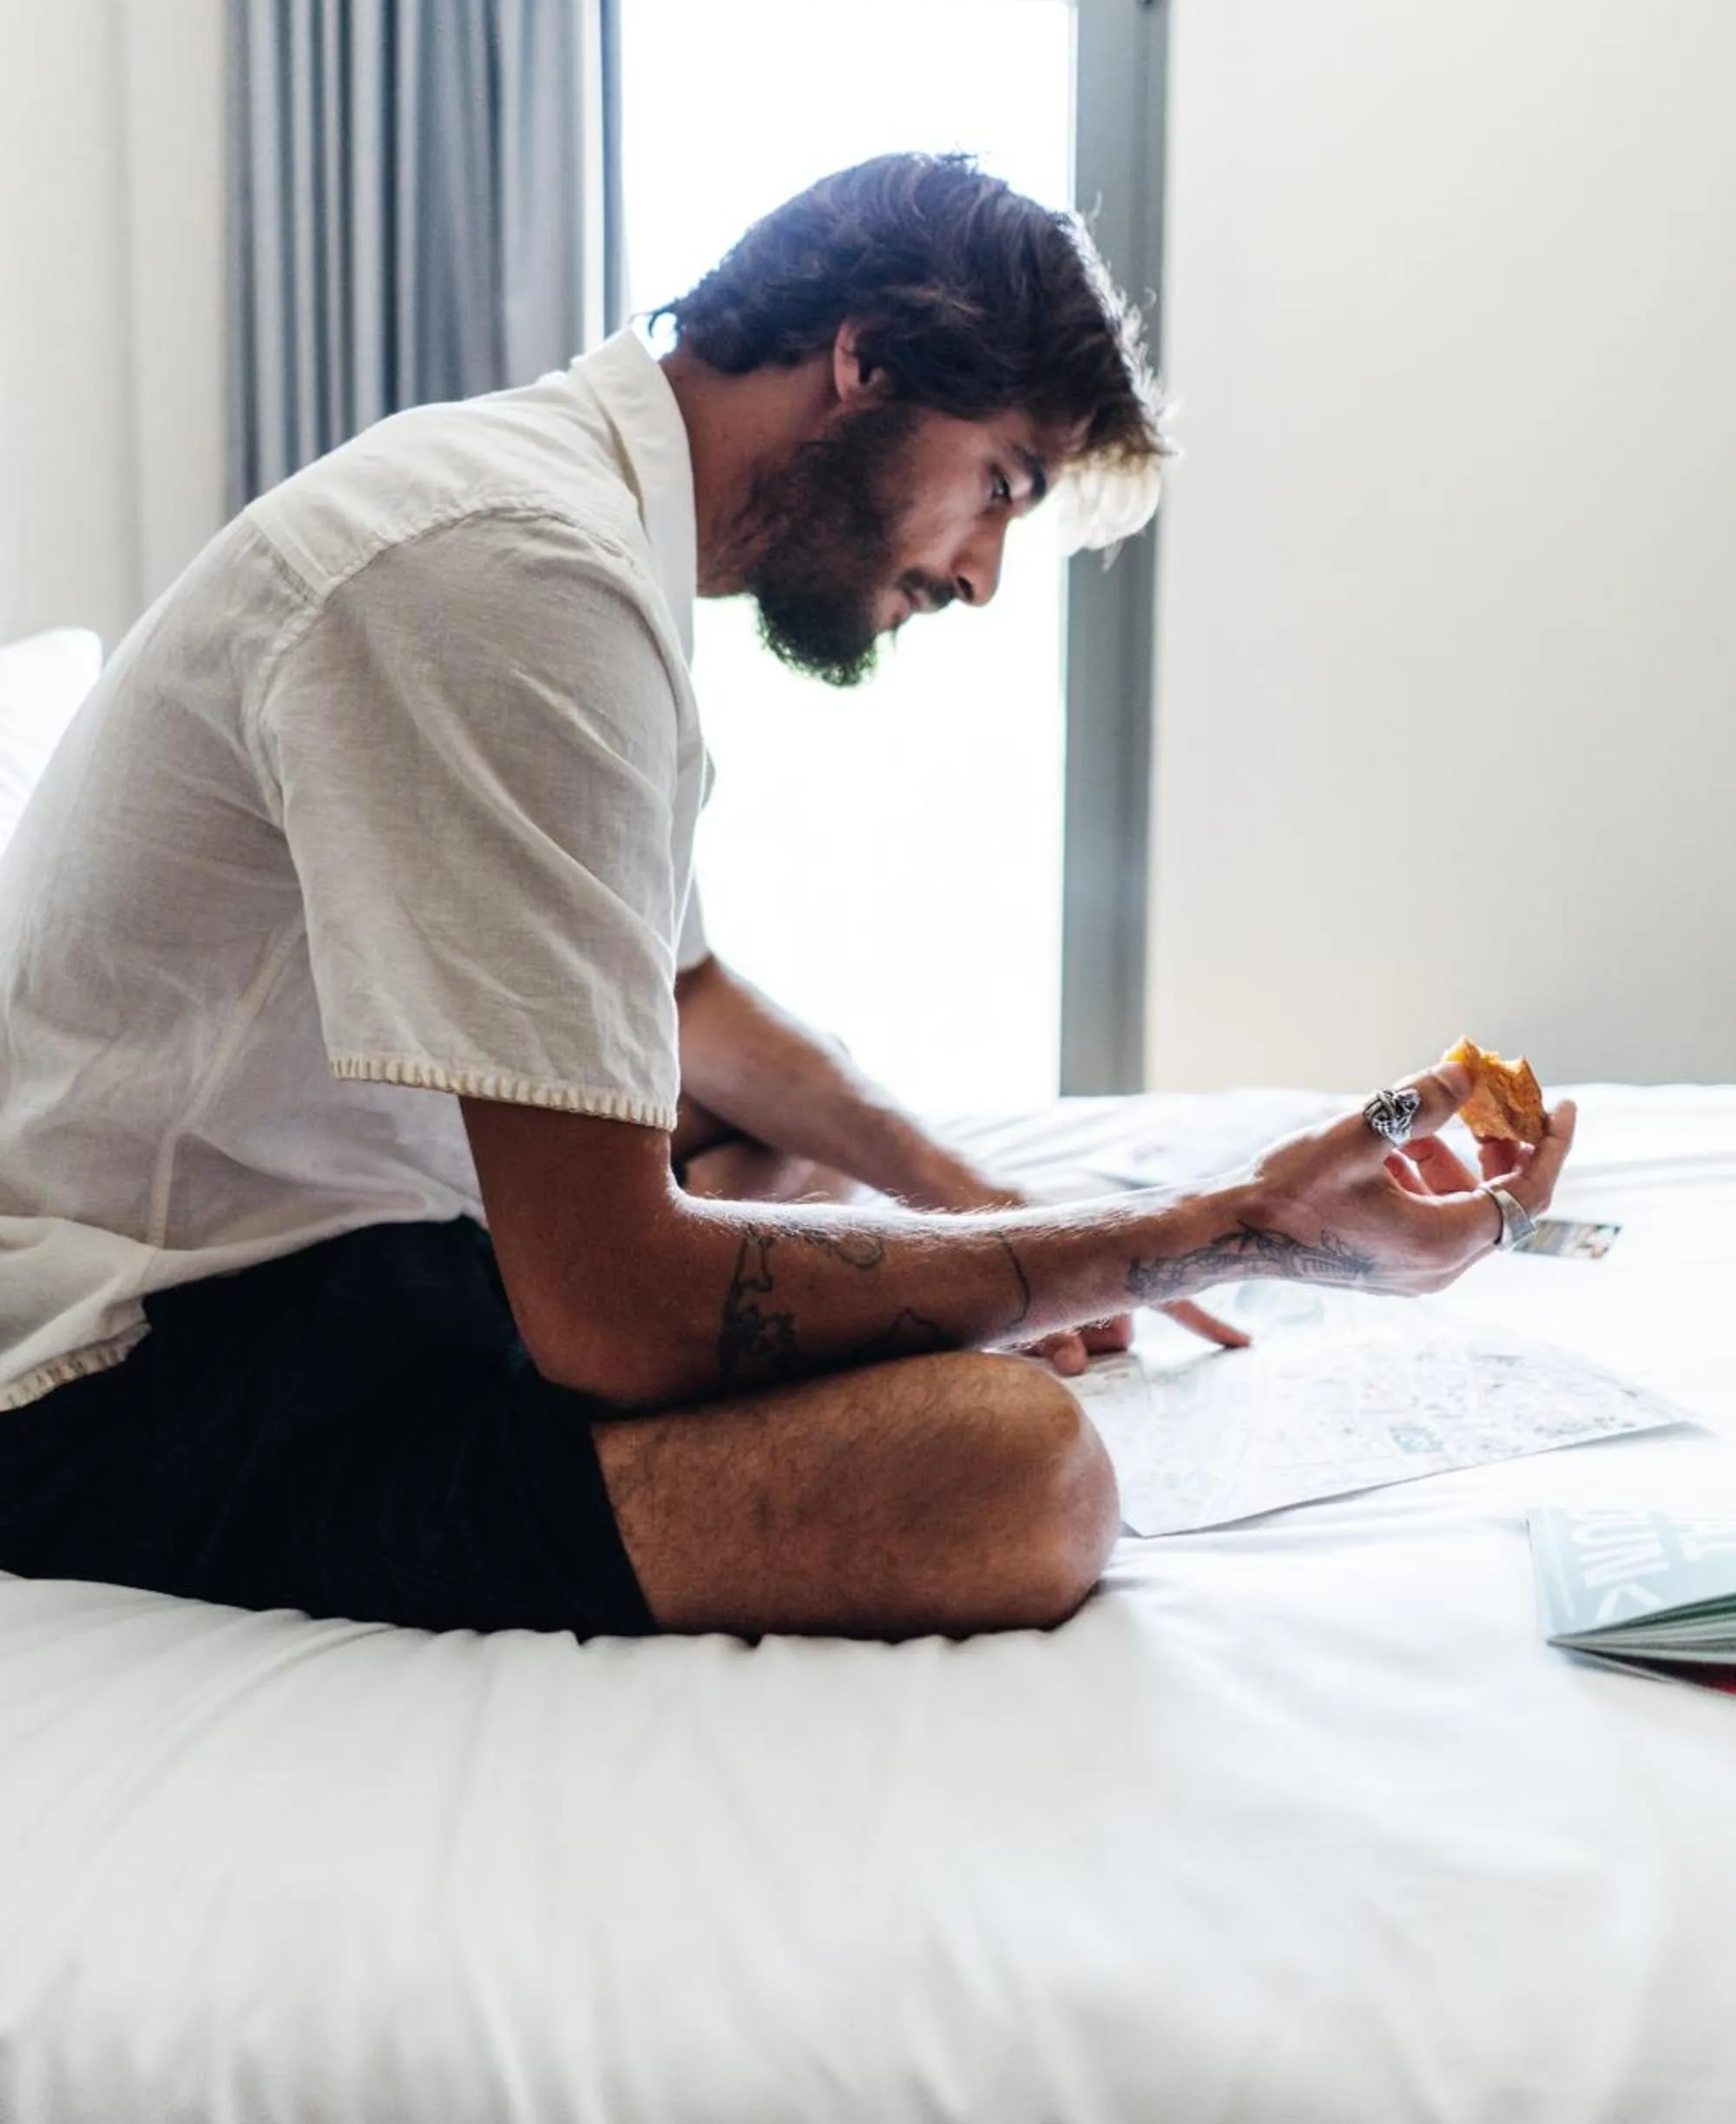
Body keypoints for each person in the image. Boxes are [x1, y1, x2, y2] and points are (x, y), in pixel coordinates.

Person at [0, 155, 1575, 1643]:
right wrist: (1229, 1231)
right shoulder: (504, 572)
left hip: (322, 1241)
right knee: (1014, 1470)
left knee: (774, 1157)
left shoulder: (567, 519)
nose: (982, 575)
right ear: (865, 360)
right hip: (128, 1365)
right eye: (1001, 486)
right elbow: (612, 1308)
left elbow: (679, 1000)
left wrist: (977, 1204)